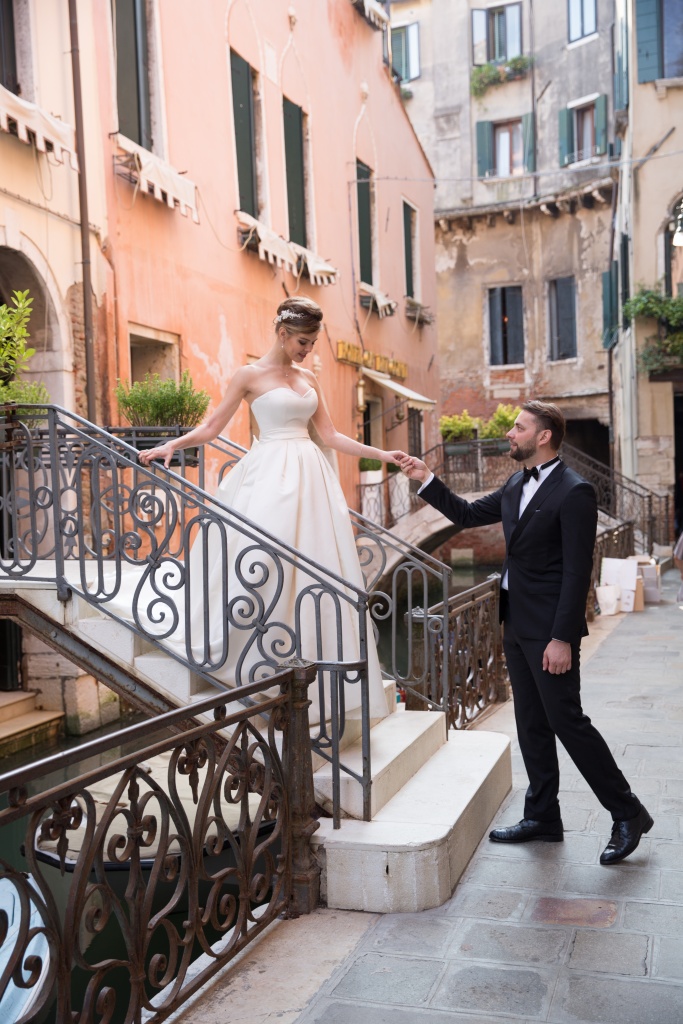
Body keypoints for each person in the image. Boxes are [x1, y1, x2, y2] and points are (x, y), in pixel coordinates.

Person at [398, 401, 653, 865]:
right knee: (531, 722)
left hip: (550, 629)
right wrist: (426, 478)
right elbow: (467, 514)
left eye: (518, 427)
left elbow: (577, 571)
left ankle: (628, 812)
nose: (509, 434)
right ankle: (542, 816)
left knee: (567, 722)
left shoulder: (575, 491)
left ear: (544, 436)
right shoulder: (516, 483)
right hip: (514, 619)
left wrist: (562, 637)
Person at [133, 295, 405, 726]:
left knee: (314, 568)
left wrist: (384, 455)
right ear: (282, 333)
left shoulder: (308, 377)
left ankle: (315, 672)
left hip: (311, 483)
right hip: (268, 480)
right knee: (263, 565)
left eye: (312, 343)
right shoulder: (249, 375)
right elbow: (212, 427)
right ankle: (258, 665)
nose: (307, 350)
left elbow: (331, 436)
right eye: (302, 342)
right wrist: (172, 445)